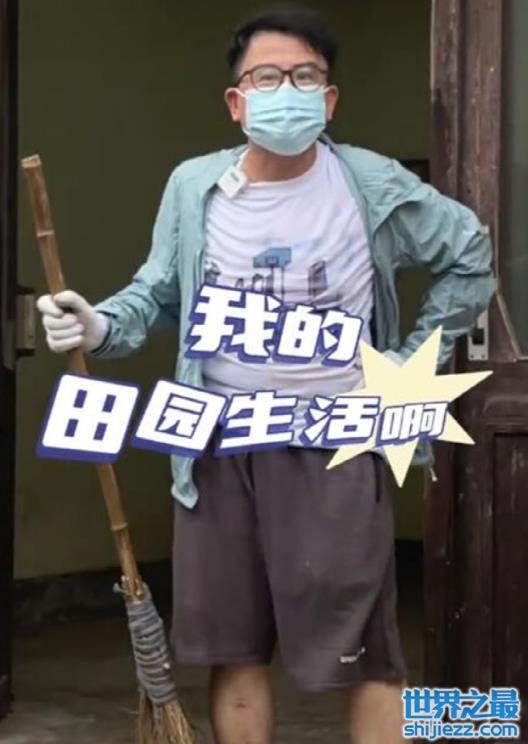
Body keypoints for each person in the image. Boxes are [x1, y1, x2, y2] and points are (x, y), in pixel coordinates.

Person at [36, 6, 495, 743]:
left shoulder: (369, 184)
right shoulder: (195, 187)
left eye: (305, 76)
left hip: (336, 443)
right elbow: (158, 292)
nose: (287, 90)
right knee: (235, 650)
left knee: (366, 658)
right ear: (236, 100)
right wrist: (99, 324)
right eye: (266, 77)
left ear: (330, 98)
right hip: (219, 446)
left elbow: (469, 256)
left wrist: (411, 370)